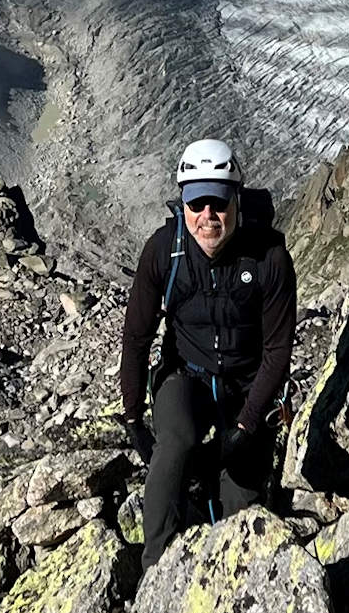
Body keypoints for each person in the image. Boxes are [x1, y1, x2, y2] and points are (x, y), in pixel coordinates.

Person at [119, 137, 297, 569]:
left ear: (237, 199)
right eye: (196, 204)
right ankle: (155, 569)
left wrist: (247, 424)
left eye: (217, 203)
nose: (207, 216)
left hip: (248, 385)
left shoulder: (269, 257)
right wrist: (133, 418)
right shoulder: (164, 251)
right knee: (175, 444)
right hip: (186, 375)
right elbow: (137, 336)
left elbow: (277, 350)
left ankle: (234, 578)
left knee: (242, 508)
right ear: (182, 204)